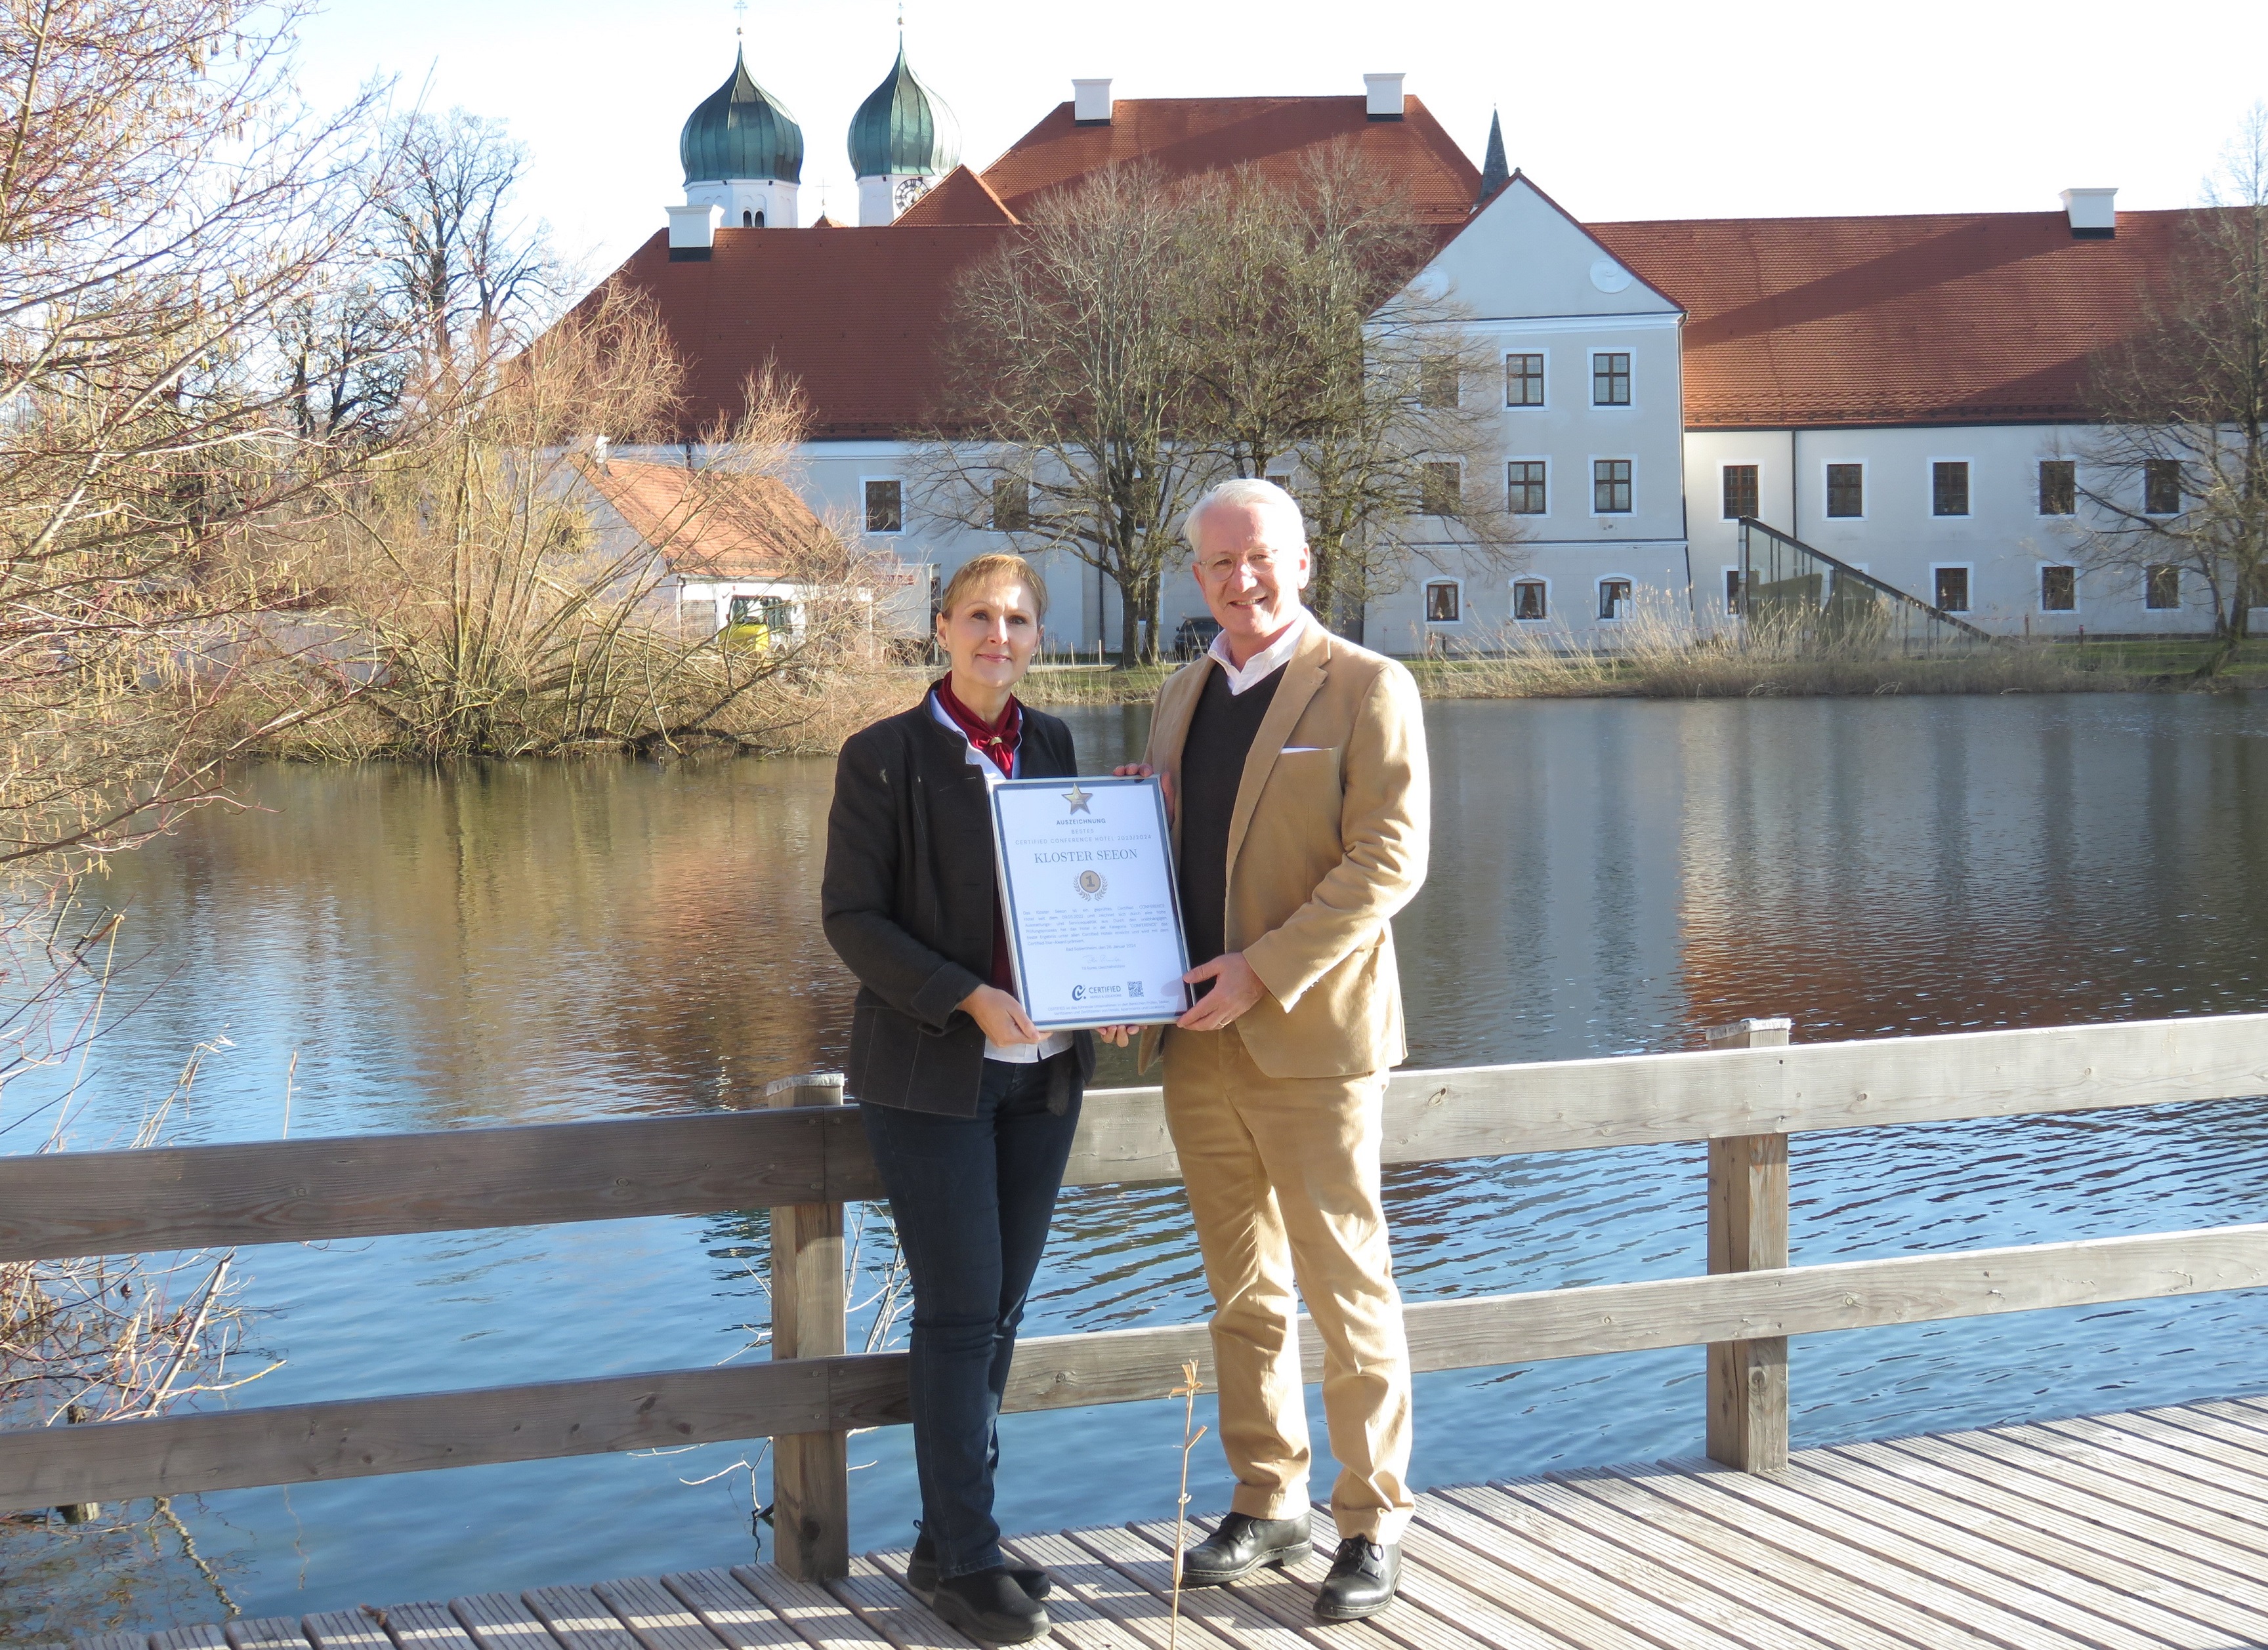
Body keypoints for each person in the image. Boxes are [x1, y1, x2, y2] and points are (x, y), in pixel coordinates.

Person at [1110, 478, 1429, 1621]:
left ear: (1301, 560)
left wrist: (1264, 969)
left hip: (1314, 1045)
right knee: (1241, 1291)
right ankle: (1268, 1496)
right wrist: (1123, 967)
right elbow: (1164, 855)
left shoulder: (1367, 686)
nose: (1237, 580)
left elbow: (1388, 863)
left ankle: (1373, 1518)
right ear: (1194, 576)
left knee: (1347, 1289)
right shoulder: (1179, 694)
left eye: (1257, 559)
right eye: (1214, 563)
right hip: (1197, 1050)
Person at [822, 552, 1093, 1645]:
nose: (1000, 638)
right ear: (941, 628)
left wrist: (1114, 988)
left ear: (1037, 638)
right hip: (932, 1076)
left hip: (1048, 1077)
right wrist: (969, 998)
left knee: (1006, 1312)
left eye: (1019, 622)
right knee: (960, 1312)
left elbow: (1085, 892)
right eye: (979, 617)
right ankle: (966, 1560)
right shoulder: (882, 757)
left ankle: (948, 1538)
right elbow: (851, 921)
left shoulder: (1055, 747)